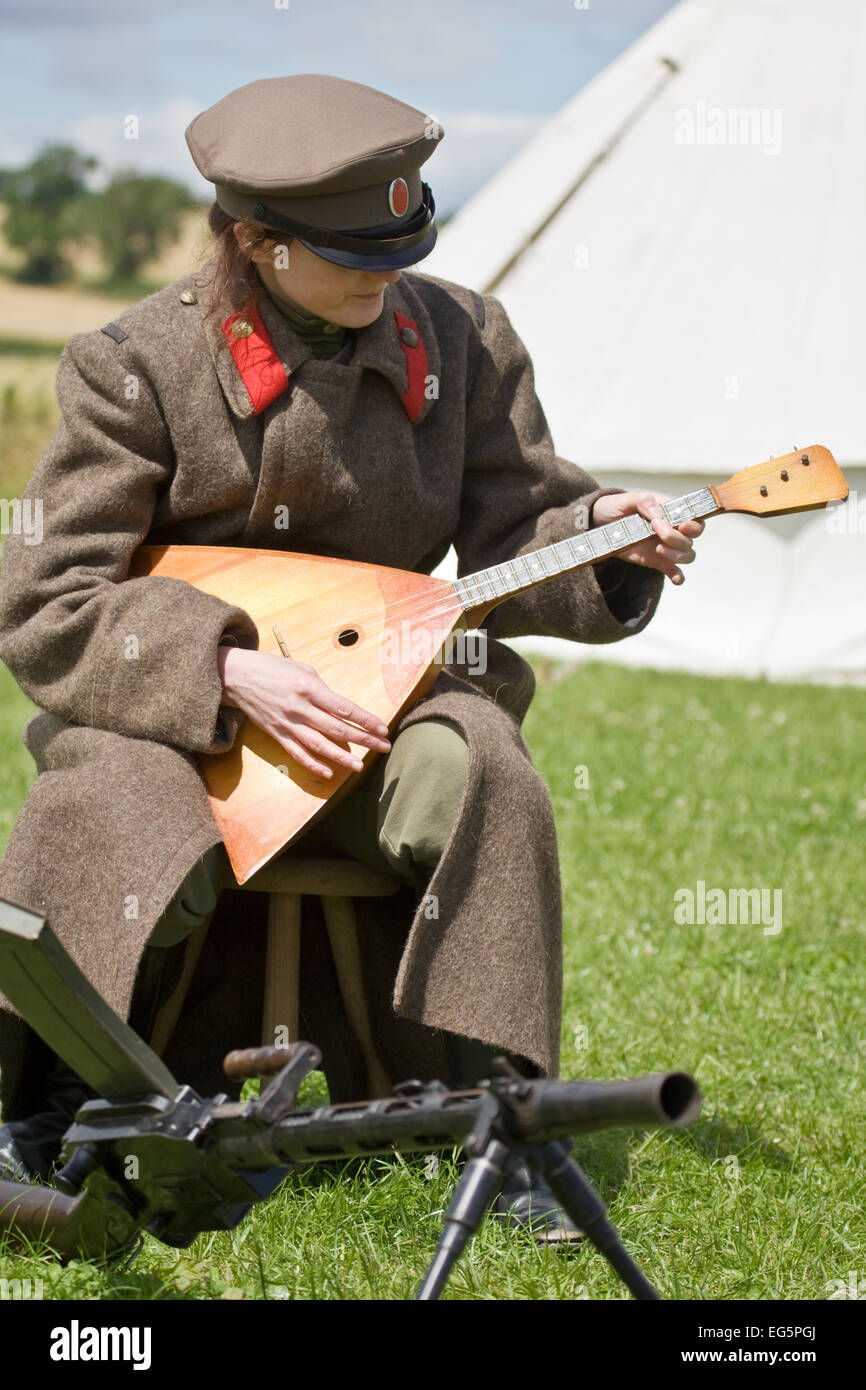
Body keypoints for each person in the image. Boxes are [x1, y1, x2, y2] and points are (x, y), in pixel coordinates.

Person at [0, 75, 702, 1242]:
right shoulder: (132, 364)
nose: (386, 277)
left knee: (483, 766)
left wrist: (601, 538)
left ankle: (504, 1112)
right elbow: (46, 595)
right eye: (350, 256)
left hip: (379, 720)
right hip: (178, 727)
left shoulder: (465, 341)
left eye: (403, 242)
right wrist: (219, 667)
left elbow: (514, 530)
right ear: (258, 243)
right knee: (103, 797)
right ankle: (48, 1105)